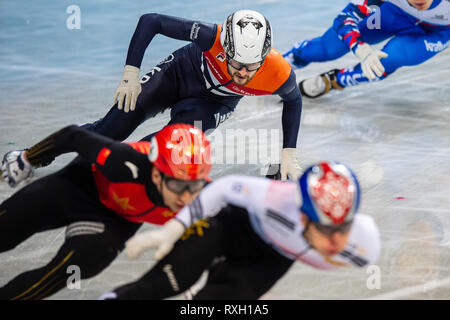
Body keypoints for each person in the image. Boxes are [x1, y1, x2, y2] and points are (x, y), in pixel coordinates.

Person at [3, 9, 303, 182]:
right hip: (177, 75)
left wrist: (288, 150)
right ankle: (29, 157)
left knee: (156, 150)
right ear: (225, 47)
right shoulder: (211, 36)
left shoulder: (278, 72)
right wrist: (130, 73)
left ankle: (88, 177)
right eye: (236, 63)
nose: (242, 73)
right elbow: (152, 21)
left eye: (251, 67)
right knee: (110, 130)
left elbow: (294, 100)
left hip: (212, 103)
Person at [99, 161, 381, 300]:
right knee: (163, 284)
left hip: (270, 259)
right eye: (325, 228)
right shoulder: (277, 199)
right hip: (232, 226)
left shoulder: (364, 244)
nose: (335, 240)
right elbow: (224, 187)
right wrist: (173, 229)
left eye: (343, 227)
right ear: (303, 218)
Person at [0, 123, 211, 300]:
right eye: (177, 185)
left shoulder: (206, 198)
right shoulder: (123, 162)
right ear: (157, 175)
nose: (185, 197)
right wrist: (27, 159)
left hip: (116, 221)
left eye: (194, 186)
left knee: (78, 264)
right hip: (78, 186)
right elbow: (72, 135)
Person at [283, 0, 450, 98]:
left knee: (389, 60)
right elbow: (345, 18)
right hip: (390, 15)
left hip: (435, 32)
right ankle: (285, 63)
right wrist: (360, 48)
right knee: (329, 48)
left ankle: (335, 80)